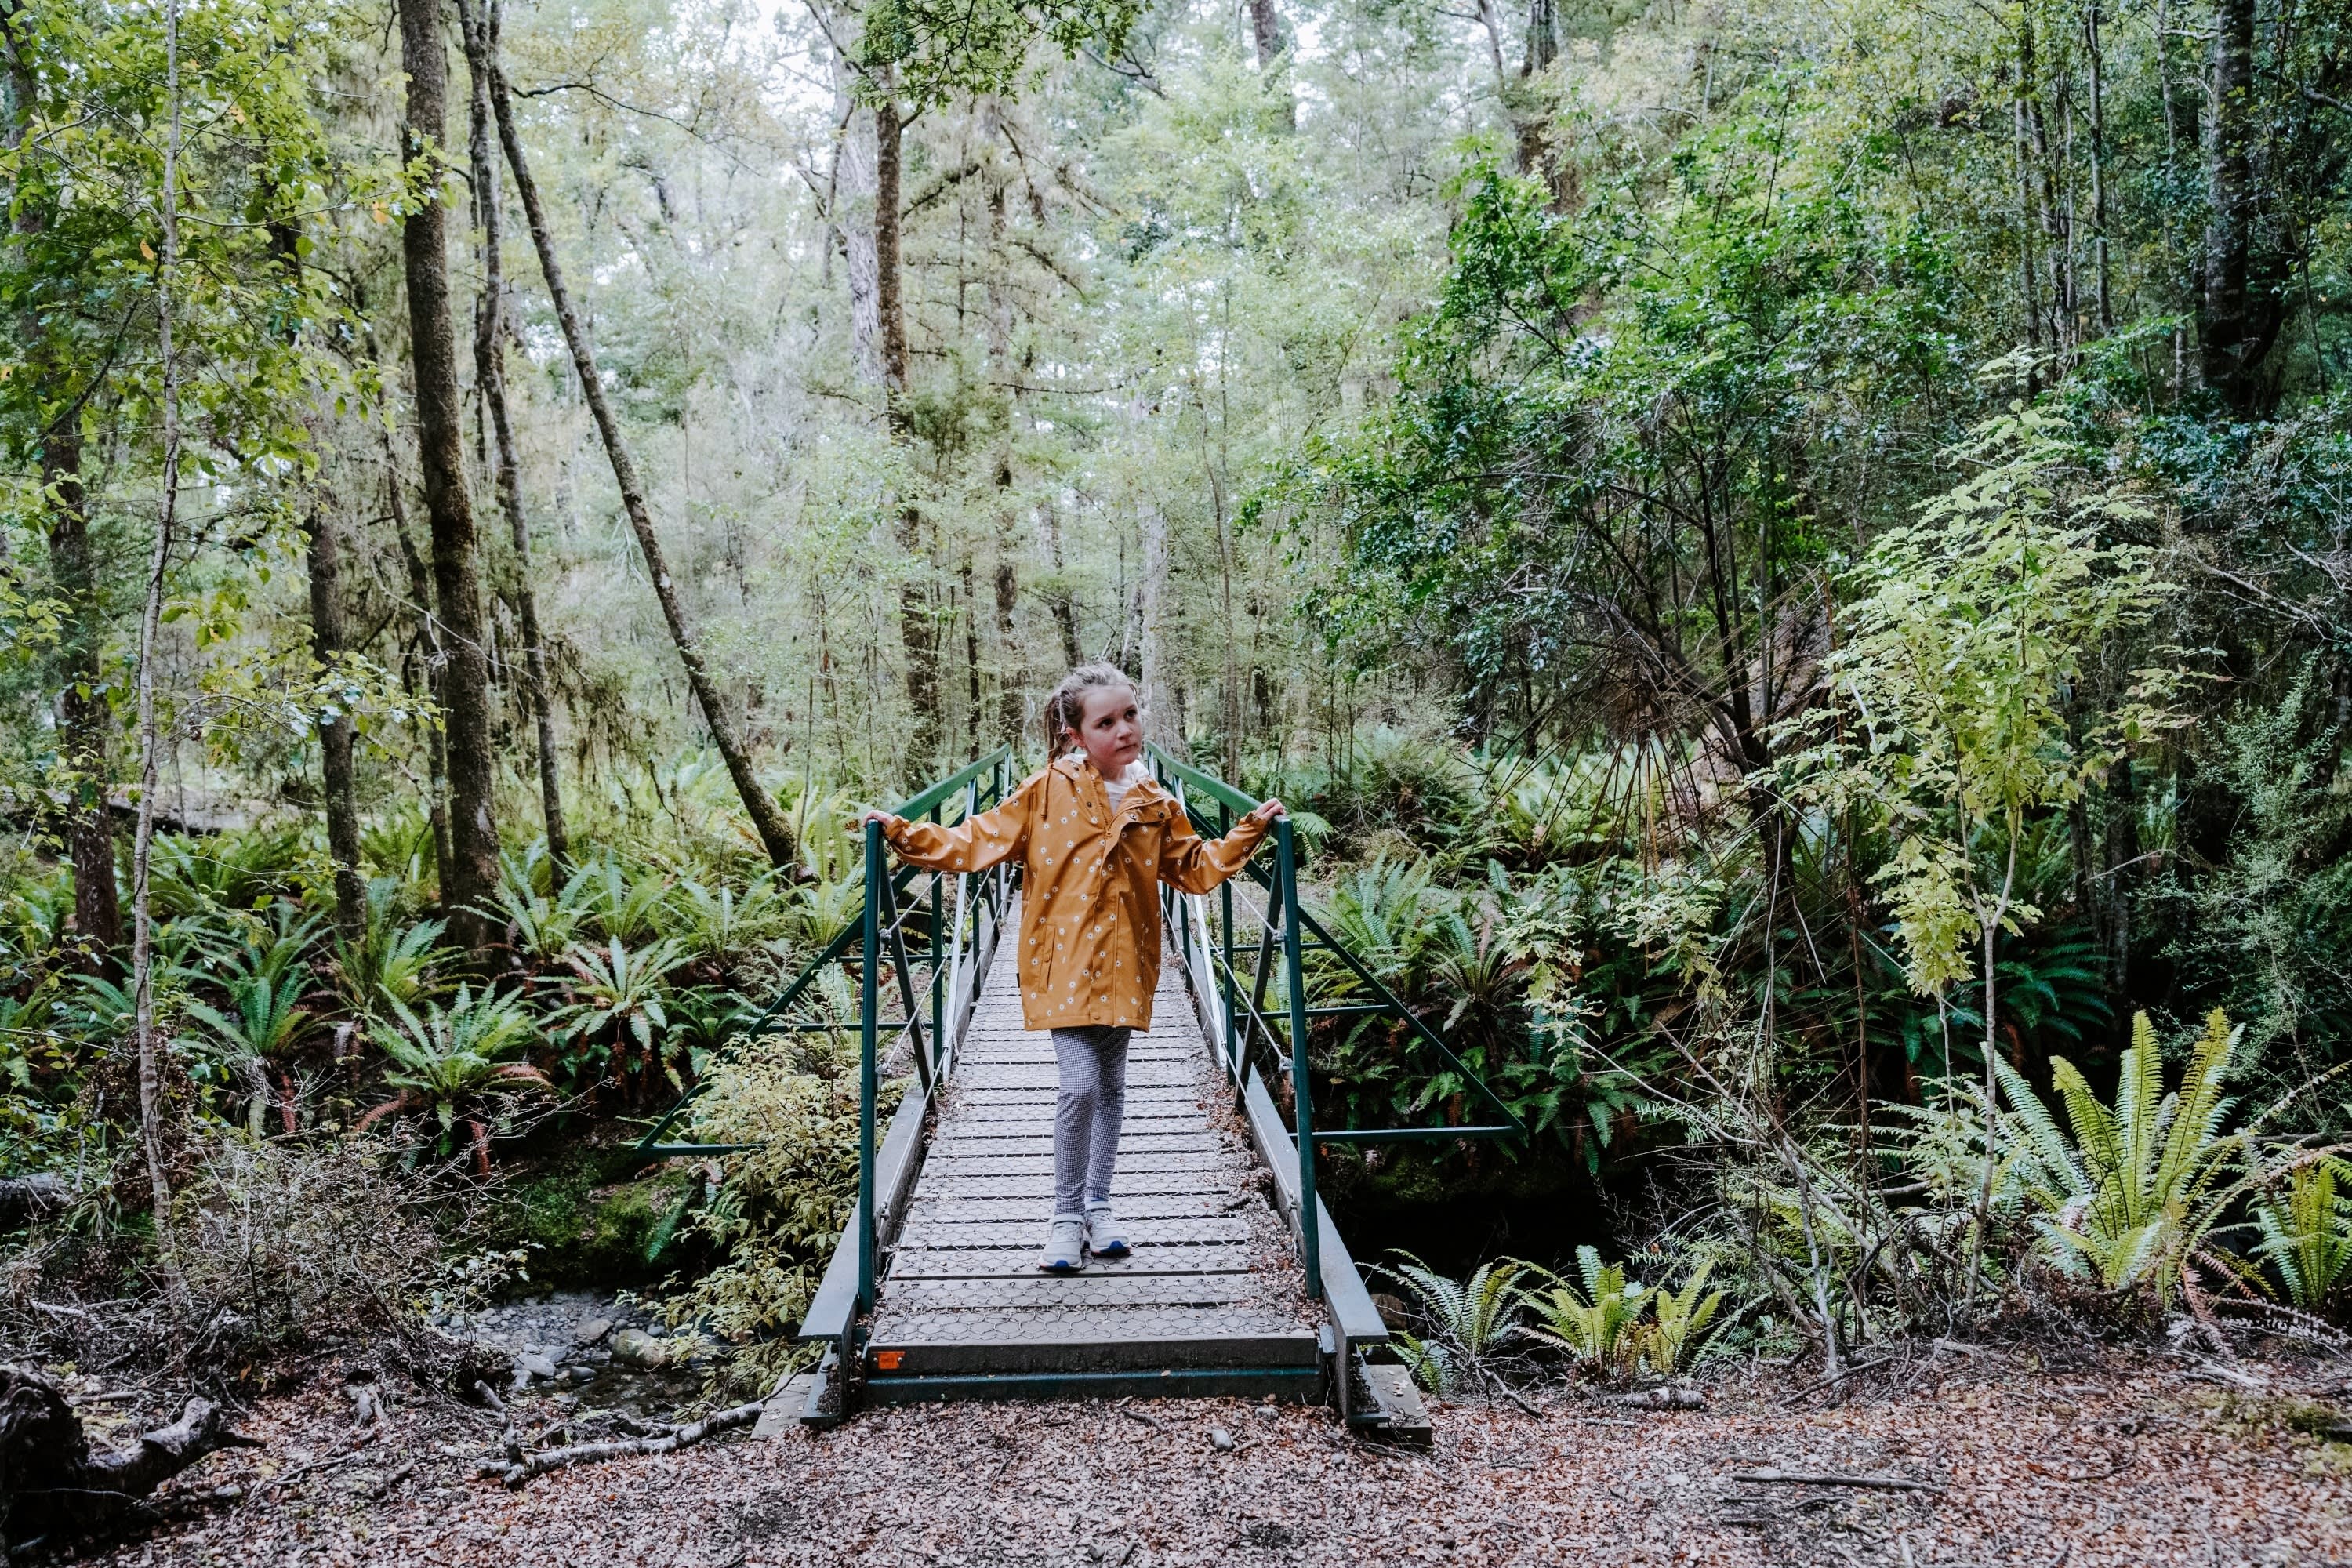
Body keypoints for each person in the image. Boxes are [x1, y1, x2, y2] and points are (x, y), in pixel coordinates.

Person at [860, 663, 1285, 1272]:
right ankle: (1065, 1217)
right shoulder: (1045, 790)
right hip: (1060, 961)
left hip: (1128, 959)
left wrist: (1250, 831)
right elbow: (977, 840)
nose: (1124, 729)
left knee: (1110, 1087)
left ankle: (1099, 1208)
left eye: (1130, 715)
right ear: (1074, 733)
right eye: (1106, 722)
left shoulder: (1155, 802)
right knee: (1080, 1085)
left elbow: (1194, 869)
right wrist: (902, 833)